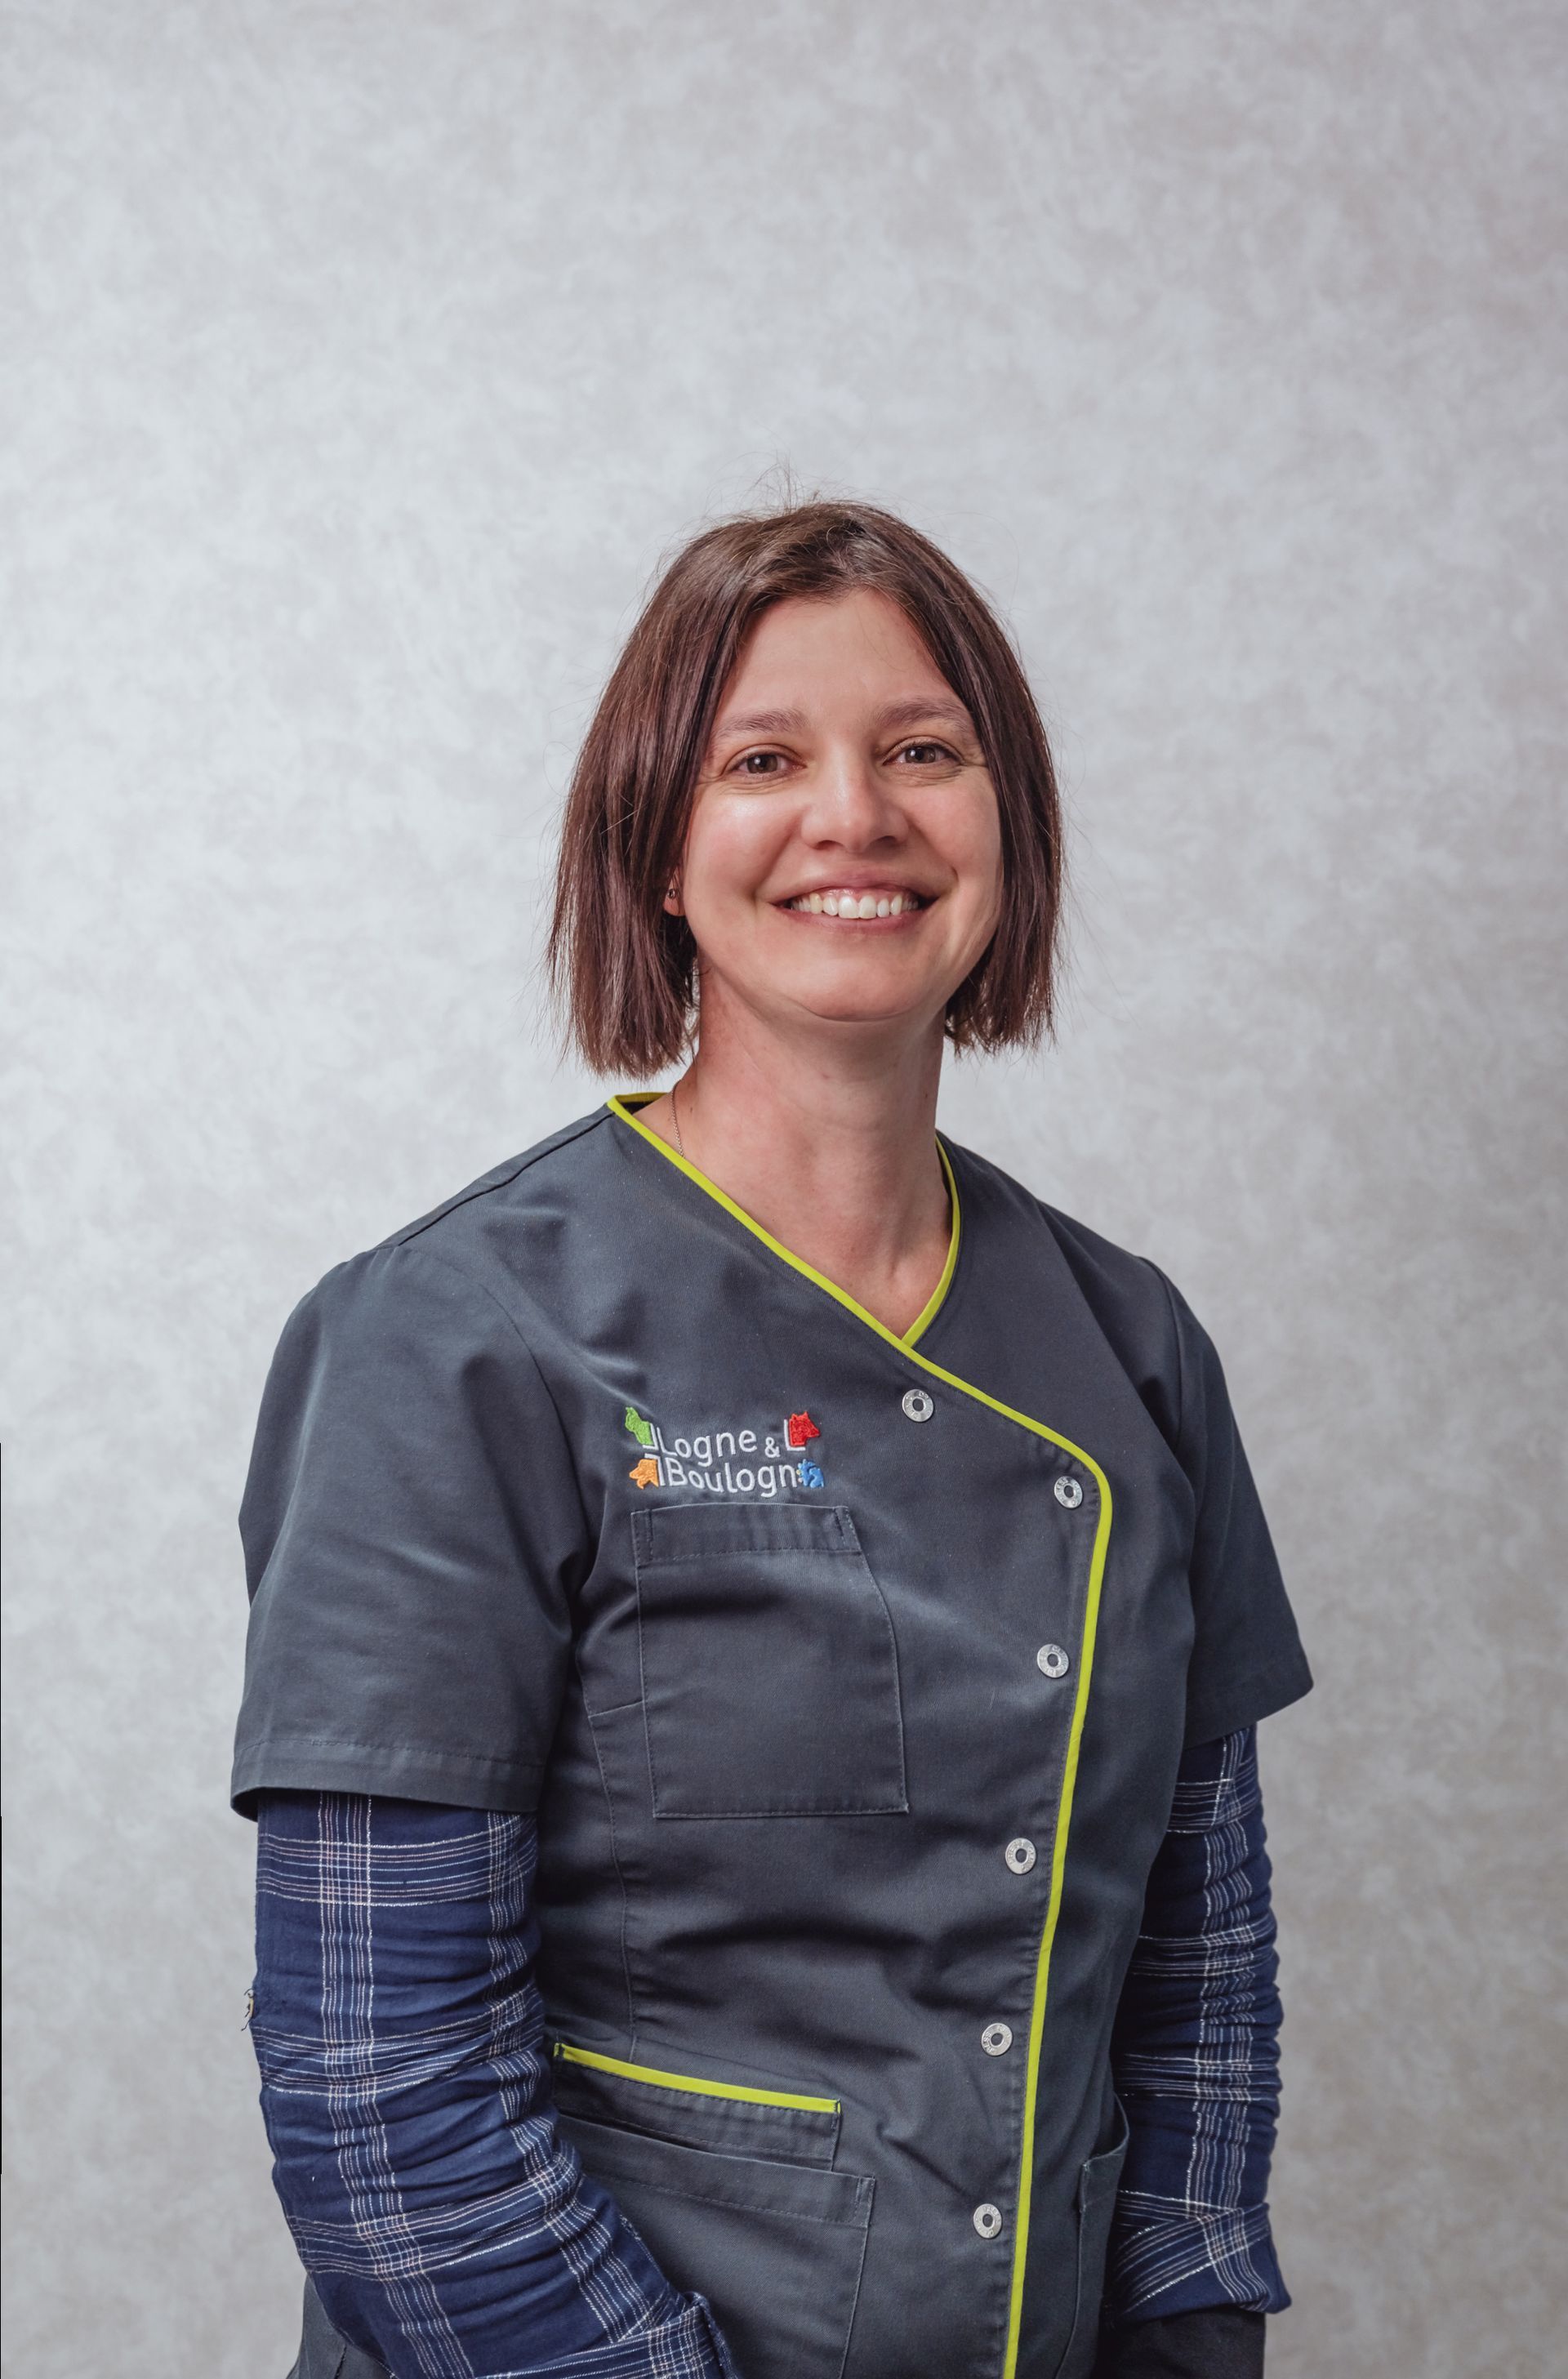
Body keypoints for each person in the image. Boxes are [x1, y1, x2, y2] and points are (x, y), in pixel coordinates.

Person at [234, 500, 1312, 2379]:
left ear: (1007, 825)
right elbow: (384, 2099)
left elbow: (1199, 2000)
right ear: (657, 847)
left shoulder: (1132, 1346)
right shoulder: (456, 1336)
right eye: (762, 759)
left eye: (923, 751)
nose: (856, 817)